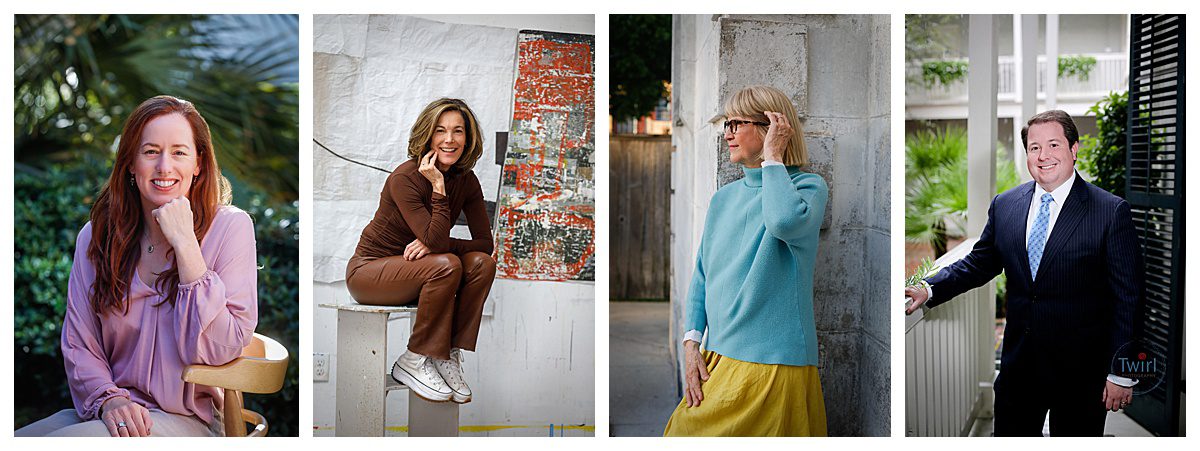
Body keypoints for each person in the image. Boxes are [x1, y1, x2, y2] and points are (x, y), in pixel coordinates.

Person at [16, 95, 258, 437]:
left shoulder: (231, 227)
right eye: (150, 151)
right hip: (113, 409)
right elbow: (80, 342)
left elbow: (221, 350)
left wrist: (186, 244)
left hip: (191, 420)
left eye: (179, 152)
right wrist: (108, 399)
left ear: (199, 163)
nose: (164, 167)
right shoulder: (97, 236)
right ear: (131, 162)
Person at [905, 110, 1143, 436]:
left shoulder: (1110, 211)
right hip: (1019, 367)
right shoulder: (1005, 205)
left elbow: (1128, 297)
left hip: (1081, 373)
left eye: (1054, 145)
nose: (1043, 156)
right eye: (1034, 148)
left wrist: (1120, 373)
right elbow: (980, 262)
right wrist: (929, 289)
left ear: (1074, 150)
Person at [663, 85, 829, 436]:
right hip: (718, 357)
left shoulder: (808, 189)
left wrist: (773, 158)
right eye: (726, 124)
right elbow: (703, 276)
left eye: (738, 123)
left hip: (772, 364)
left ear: (772, 127)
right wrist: (691, 343)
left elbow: (783, 222)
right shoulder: (723, 199)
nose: (728, 133)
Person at [345, 98, 496, 404]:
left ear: (468, 138)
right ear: (428, 135)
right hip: (369, 273)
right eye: (440, 130)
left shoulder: (467, 181)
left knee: (481, 264)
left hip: (419, 271)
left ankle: (446, 354)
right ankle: (414, 358)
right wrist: (438, 187)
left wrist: (434, 243)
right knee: (447, 264)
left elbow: (484, 243)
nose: (449, 139)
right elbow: (438, 246)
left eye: (458, 131)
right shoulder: (406, 178)